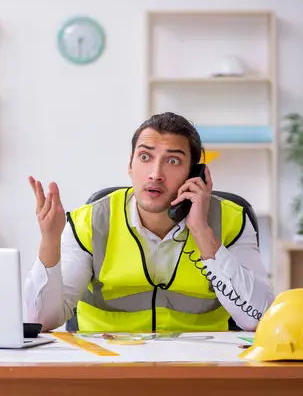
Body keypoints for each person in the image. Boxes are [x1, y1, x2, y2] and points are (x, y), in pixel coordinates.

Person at [24, 112, 275, 333]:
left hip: (199, 370)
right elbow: (40, 321)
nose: (156, 173)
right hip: (106, 370)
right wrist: (50, 240)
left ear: (195, 175)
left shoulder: (232, 220)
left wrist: (201, 231)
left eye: (173, 161)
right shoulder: (89, 222)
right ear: (130, 165)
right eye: (145, 157)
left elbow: (258, 318)